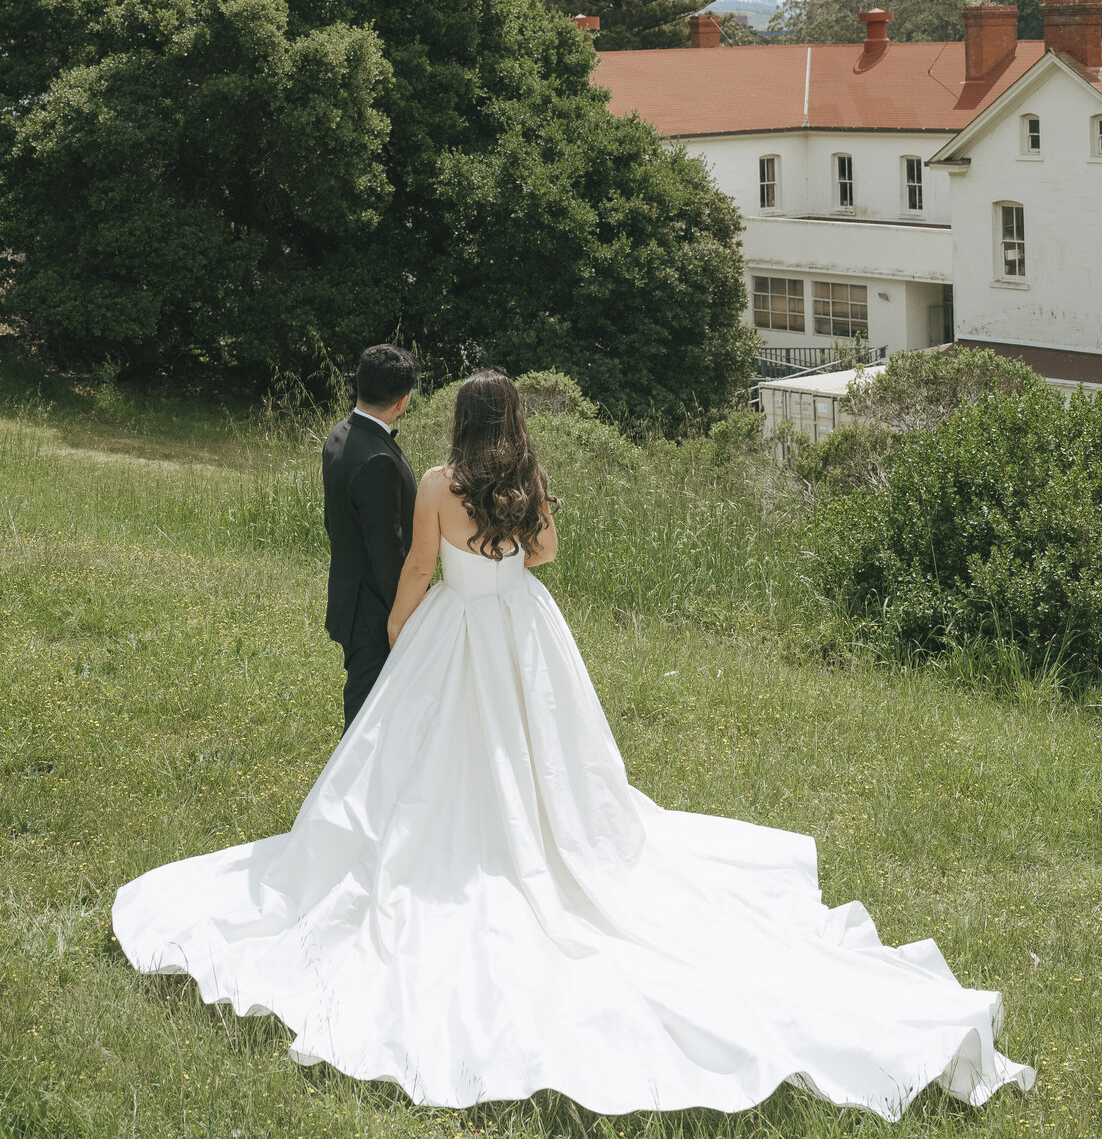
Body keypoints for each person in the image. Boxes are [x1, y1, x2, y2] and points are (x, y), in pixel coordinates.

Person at [113, 370, 1033, 1120]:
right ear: (513, 421)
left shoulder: (436, 483)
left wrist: (397, 633)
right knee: (545, 758)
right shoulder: (527, 480)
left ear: (460, 420)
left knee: (431, 761)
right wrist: (510, 550)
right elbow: (546, 554)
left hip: (455, 630)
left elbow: (420, 566)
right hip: (520, 624)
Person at [322, 344, 418, 730]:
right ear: (402, 401)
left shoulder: (339, 434)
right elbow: (387, 551)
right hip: (375, 611)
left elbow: (334, 520)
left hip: (350, 592)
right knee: (364, 720)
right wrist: (407, 616)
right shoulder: (379, 459)